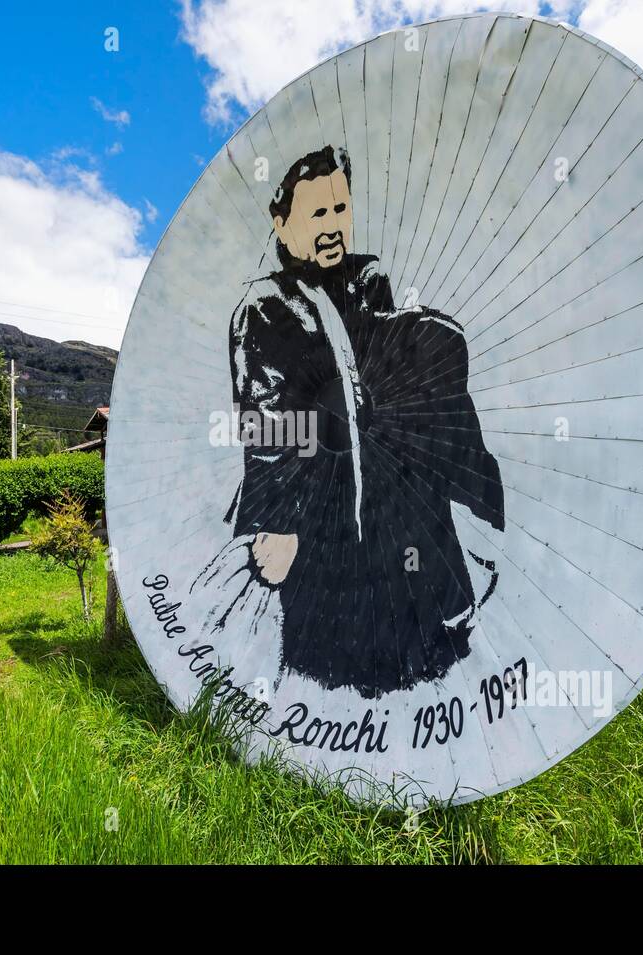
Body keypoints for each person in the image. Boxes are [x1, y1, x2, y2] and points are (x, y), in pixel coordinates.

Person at [205, 144, 505, 698]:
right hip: (320, 505)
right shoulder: (266, 305)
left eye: (340, 210)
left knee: (418, 646)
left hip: (396, 499)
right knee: (334, 657)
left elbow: (394, 371)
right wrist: (276, 522)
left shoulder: (367, 281)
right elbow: (265, 419)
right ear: (282, 221)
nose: (331, 226)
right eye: (317, 213)